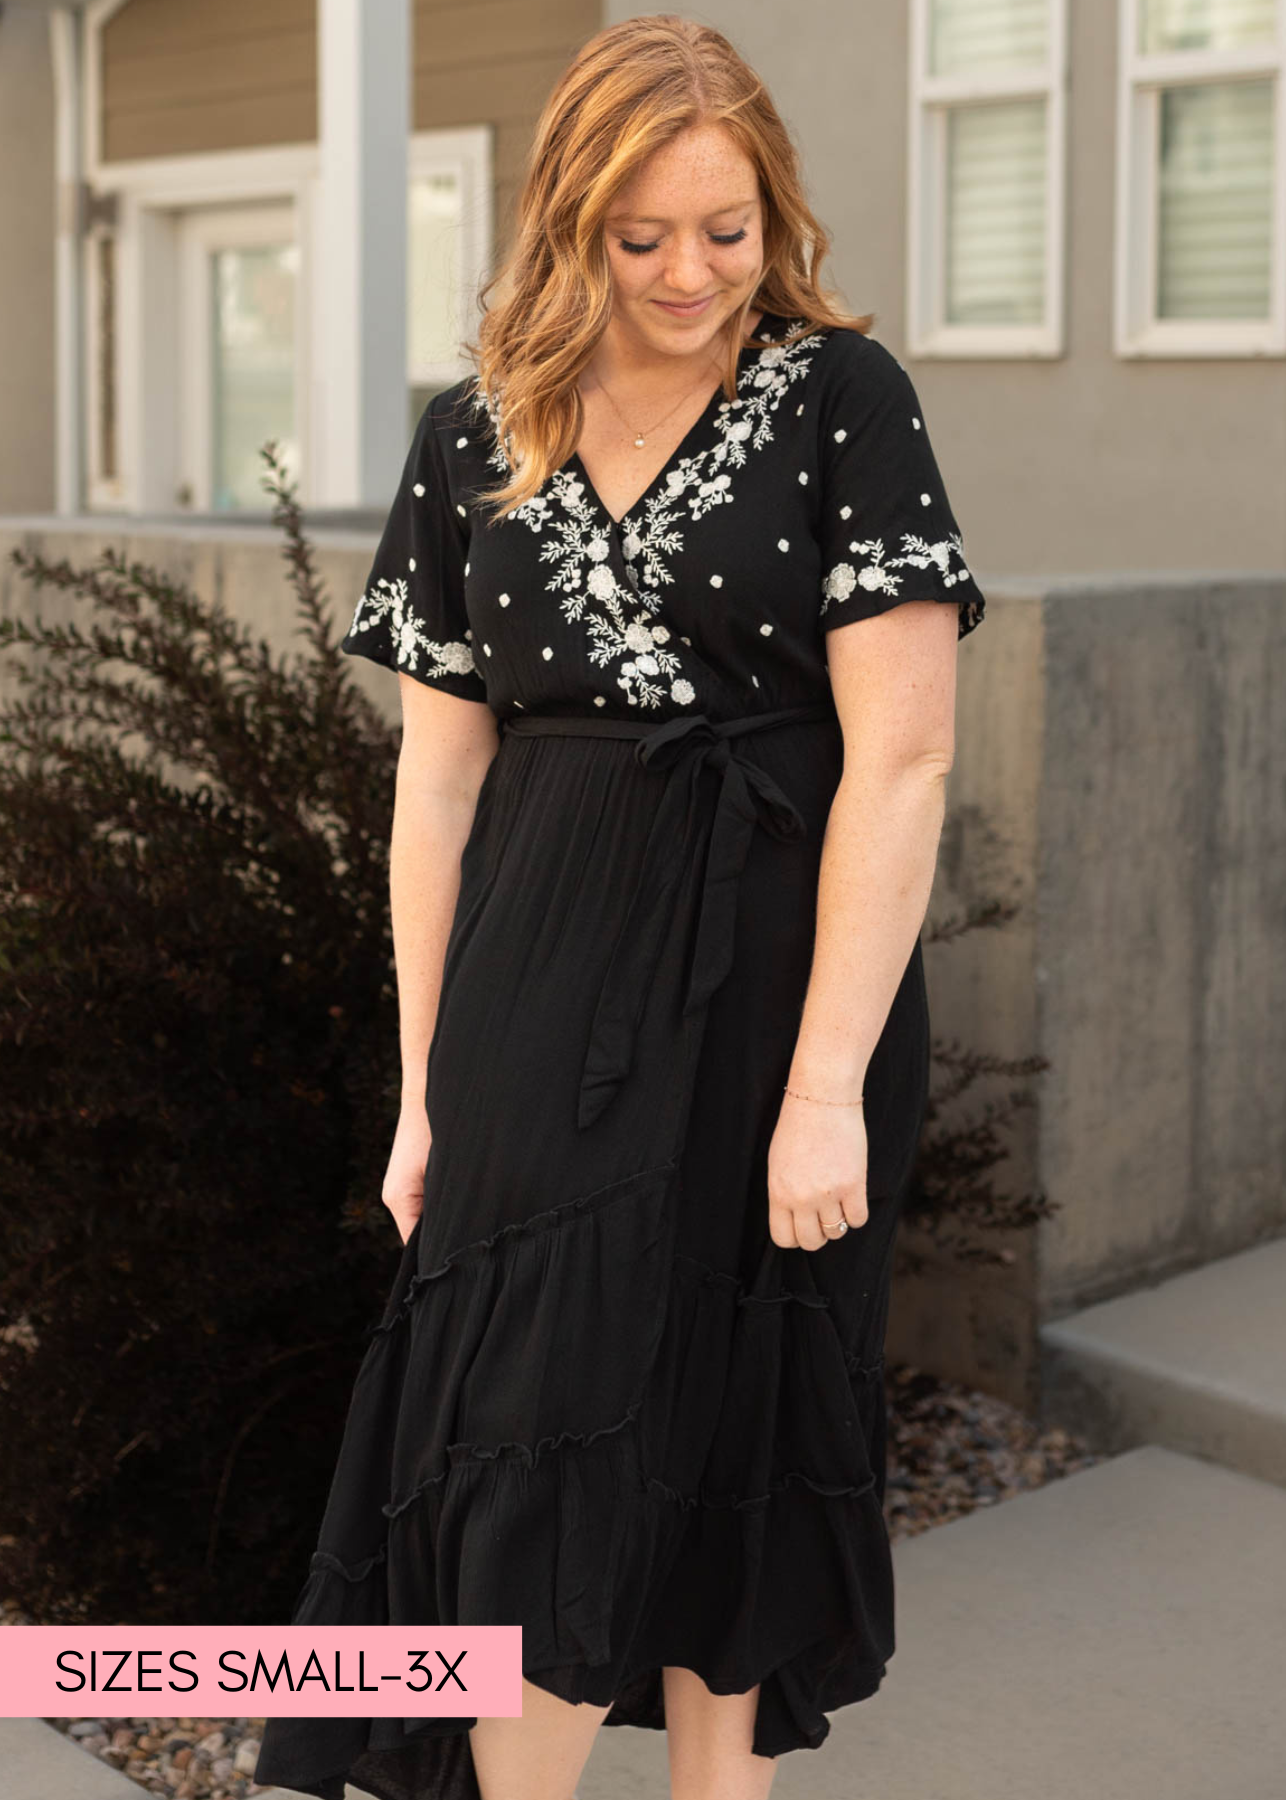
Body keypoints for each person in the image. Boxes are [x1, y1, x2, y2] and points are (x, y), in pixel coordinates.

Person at [254, 14, 985, 1800]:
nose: (686, 273)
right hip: (532, 994)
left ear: (773, 214)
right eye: (638, 235)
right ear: (565, 221)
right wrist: (426, 1083)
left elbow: (897, 764)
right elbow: (433, 784)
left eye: (724, 231)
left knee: (729, 1396)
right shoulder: (472, 435)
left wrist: (823, 1087)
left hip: (772, 999)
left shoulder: (841, 403)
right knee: (526, 1424)